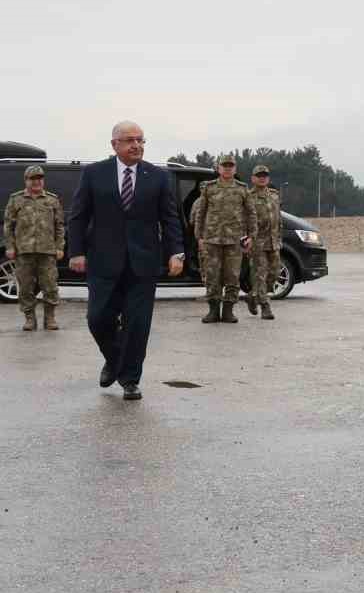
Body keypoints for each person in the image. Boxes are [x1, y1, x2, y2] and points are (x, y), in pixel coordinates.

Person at [66, 120, 186, 401]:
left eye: (141, 140)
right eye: (130, 140)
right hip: (103, 261)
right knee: (97, 318)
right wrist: (76, 251)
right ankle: (114, 358)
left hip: (143, 263)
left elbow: (170, 219)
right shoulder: (94, 173)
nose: (137, 145)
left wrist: (176, 252)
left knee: (138, 324)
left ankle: (130, 379)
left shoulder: (157, 177)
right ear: (114, 145)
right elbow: (78, 215)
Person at [192, 156, 258, 324]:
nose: (227, 169)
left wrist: (251, 236)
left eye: (231, 166)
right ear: (218, 168)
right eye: (224, 166)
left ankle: (228, 311)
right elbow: (201, 213)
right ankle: (213, 311)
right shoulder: (209, 188)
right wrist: (199, 236)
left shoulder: (243, 189)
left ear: (235, 169)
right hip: (211, 240)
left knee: (232, 277)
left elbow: (251, 214)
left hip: (234, 241)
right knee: (212, 276)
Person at [4, 165, 65, 331]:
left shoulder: (52, 200)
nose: (37, 181)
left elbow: (59, 226)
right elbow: (8, 225)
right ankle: (29, 319)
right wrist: (10, 246)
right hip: (24, 251)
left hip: (47, 251)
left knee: (50, 286)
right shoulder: (16, 199)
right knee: (25, 287)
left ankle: (50, 319)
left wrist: (60, 247)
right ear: (26, 180)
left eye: (39, 178)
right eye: (33, 178)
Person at [243, 165, 282, 319]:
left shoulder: (274, 195)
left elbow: (278, 219)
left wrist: (279, 238)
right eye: (259, 175)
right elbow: (243, 221)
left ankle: (252, 296)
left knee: (274, 273)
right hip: (257, 242)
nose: (262, 178)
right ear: (253, 178)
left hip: (273, 241)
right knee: (260, 274)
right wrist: (245, 240)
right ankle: (265, 306)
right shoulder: (248, 196)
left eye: (265, 175)